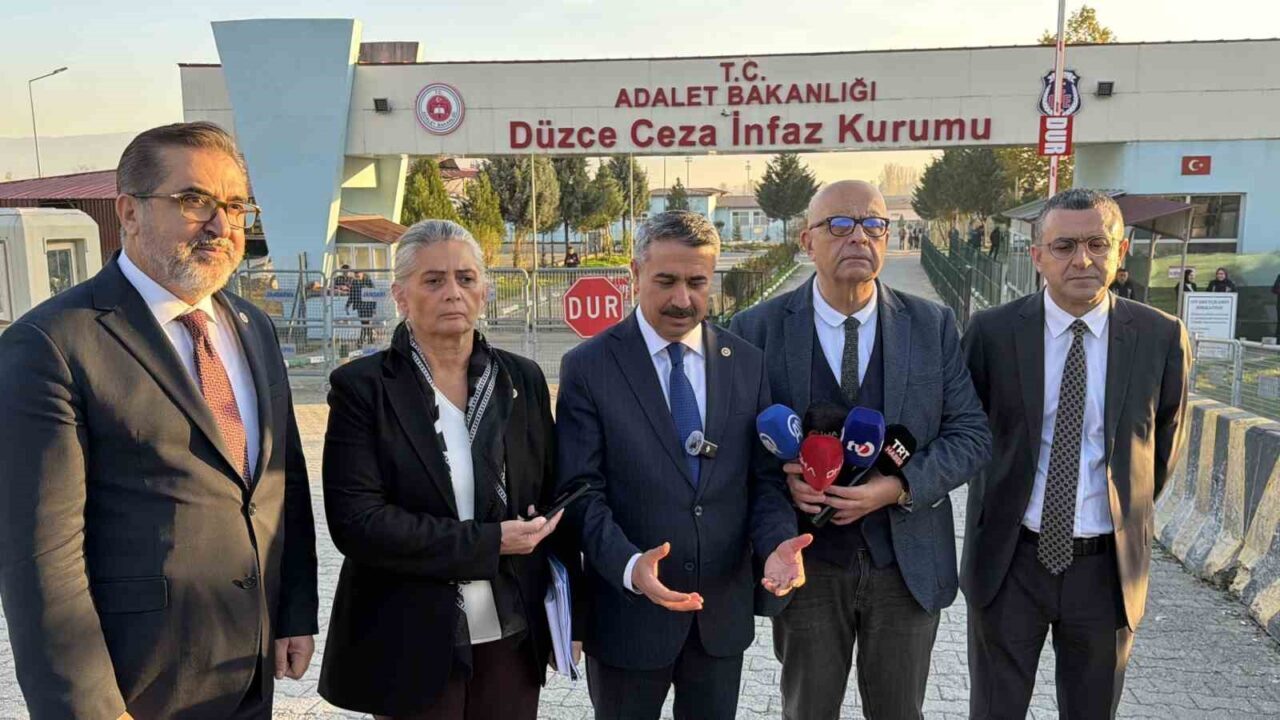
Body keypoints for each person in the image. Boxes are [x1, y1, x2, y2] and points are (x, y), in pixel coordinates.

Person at [0, 121, 319, 719]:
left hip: (245, 668)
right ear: (129, 211)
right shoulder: (52, 344)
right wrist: (90, 710)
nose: (221, 226)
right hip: (135, 685)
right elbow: (41, 561)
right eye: (194, 200)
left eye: (235, 206)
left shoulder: (252, 326)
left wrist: (293, 610)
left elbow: (283, 482)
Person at [730, 180, 992, 720]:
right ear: (807, 240)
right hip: (807, 566)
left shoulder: (932, 325)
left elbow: (971, 435)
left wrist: (897, 488)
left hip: (905, 564)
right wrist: (785, 486)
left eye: (874, 224)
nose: (859, 236)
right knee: (807, 711)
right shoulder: (757, 329)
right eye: (840, 224)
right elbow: (742, 452)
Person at [556, 210, 812, 720]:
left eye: (697, 283)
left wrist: (775, 544)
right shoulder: (588, 367)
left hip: (720, 619)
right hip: (628, 619)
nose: (682, 299)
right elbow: (580, 492)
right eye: (666, 281)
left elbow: (763, 481)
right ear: (635, 273)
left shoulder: (747, 362)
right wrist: (630, 565)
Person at [319, 220, 573, 719]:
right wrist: (489, 541)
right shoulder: (363, 388)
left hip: (512, 631)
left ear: (484, 290)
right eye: (433, 280)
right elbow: (358, 523)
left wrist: (572, 617)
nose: (453, 292)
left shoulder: (521, 379)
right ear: (401, 295)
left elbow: (551, 493)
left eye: (466, 278)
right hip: (410, 636)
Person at [961, 188, 1191, 719]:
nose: (1082, 260)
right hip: (1009, 562)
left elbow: (1160, 451)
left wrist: (1118, 512)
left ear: (1121, 250)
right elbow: (967, 435)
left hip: (1107, 572)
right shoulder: (992, 333)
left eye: (1097, 244)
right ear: (1037, 256)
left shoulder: (1160, 336)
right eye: (1064, 246)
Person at [346, 270, 377, 346]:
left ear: (362, 274)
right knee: (364, 323)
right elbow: (352, 295)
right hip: (360, 306)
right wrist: (347, 305)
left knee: (366, 323)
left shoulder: (368, 281)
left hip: (368, 306)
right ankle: (369, 340)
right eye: (355, 275)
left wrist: (374, 308)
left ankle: (362, 340)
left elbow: (374, 294)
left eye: (358, 274)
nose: (357, 276)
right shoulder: (354, 282)